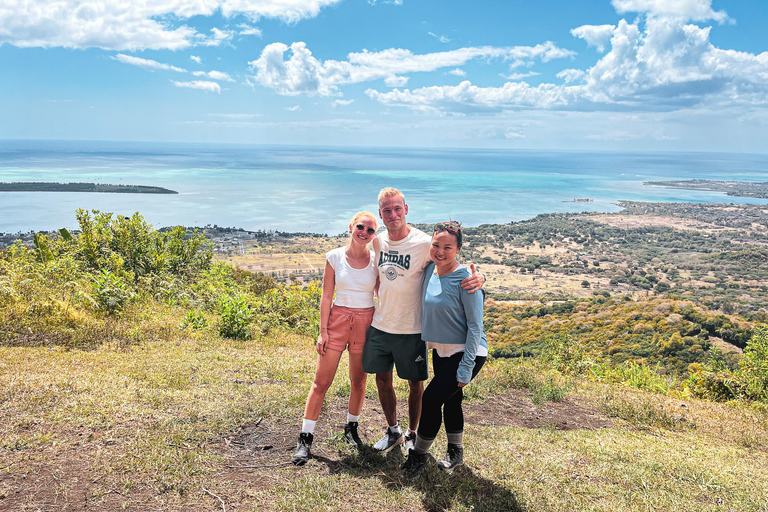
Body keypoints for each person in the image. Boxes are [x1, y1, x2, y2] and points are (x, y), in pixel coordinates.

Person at [363, 188, 484, 454]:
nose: (392, 214)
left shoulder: (422, 243)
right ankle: (393, 430)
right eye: (386, 210)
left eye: (397, 208)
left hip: (413, 329)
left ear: (406, 209)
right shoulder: (378, 242)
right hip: (381, 323)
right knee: (382, 381)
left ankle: (412, 435)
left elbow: (451, 262)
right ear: (380, 213)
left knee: (416, 386)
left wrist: (480, 277)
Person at [401, 221, 488, 479]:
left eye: (447, 247)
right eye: (436, 245)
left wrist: (466, 366)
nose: (440, 251)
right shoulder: (431, 271)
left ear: (458, 249)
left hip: (467, 352)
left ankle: (418, 457)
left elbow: (475, 327)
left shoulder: (466, 280)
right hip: (441, 350)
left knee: (430, 399)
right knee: (452, 400)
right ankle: (456, 452)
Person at [292, 211, 379, 466]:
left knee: (359, 381)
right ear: (351, 227)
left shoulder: (376, 261)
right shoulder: (335, 256)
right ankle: (305, 437)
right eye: (360, 227)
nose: (364, 232)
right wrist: (323, 331)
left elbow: (383, 293)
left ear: (374, 235)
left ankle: (351, 427)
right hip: (337, 321)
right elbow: (326, 297)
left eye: (370, 230)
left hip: (365, 322)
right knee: (321, 382)